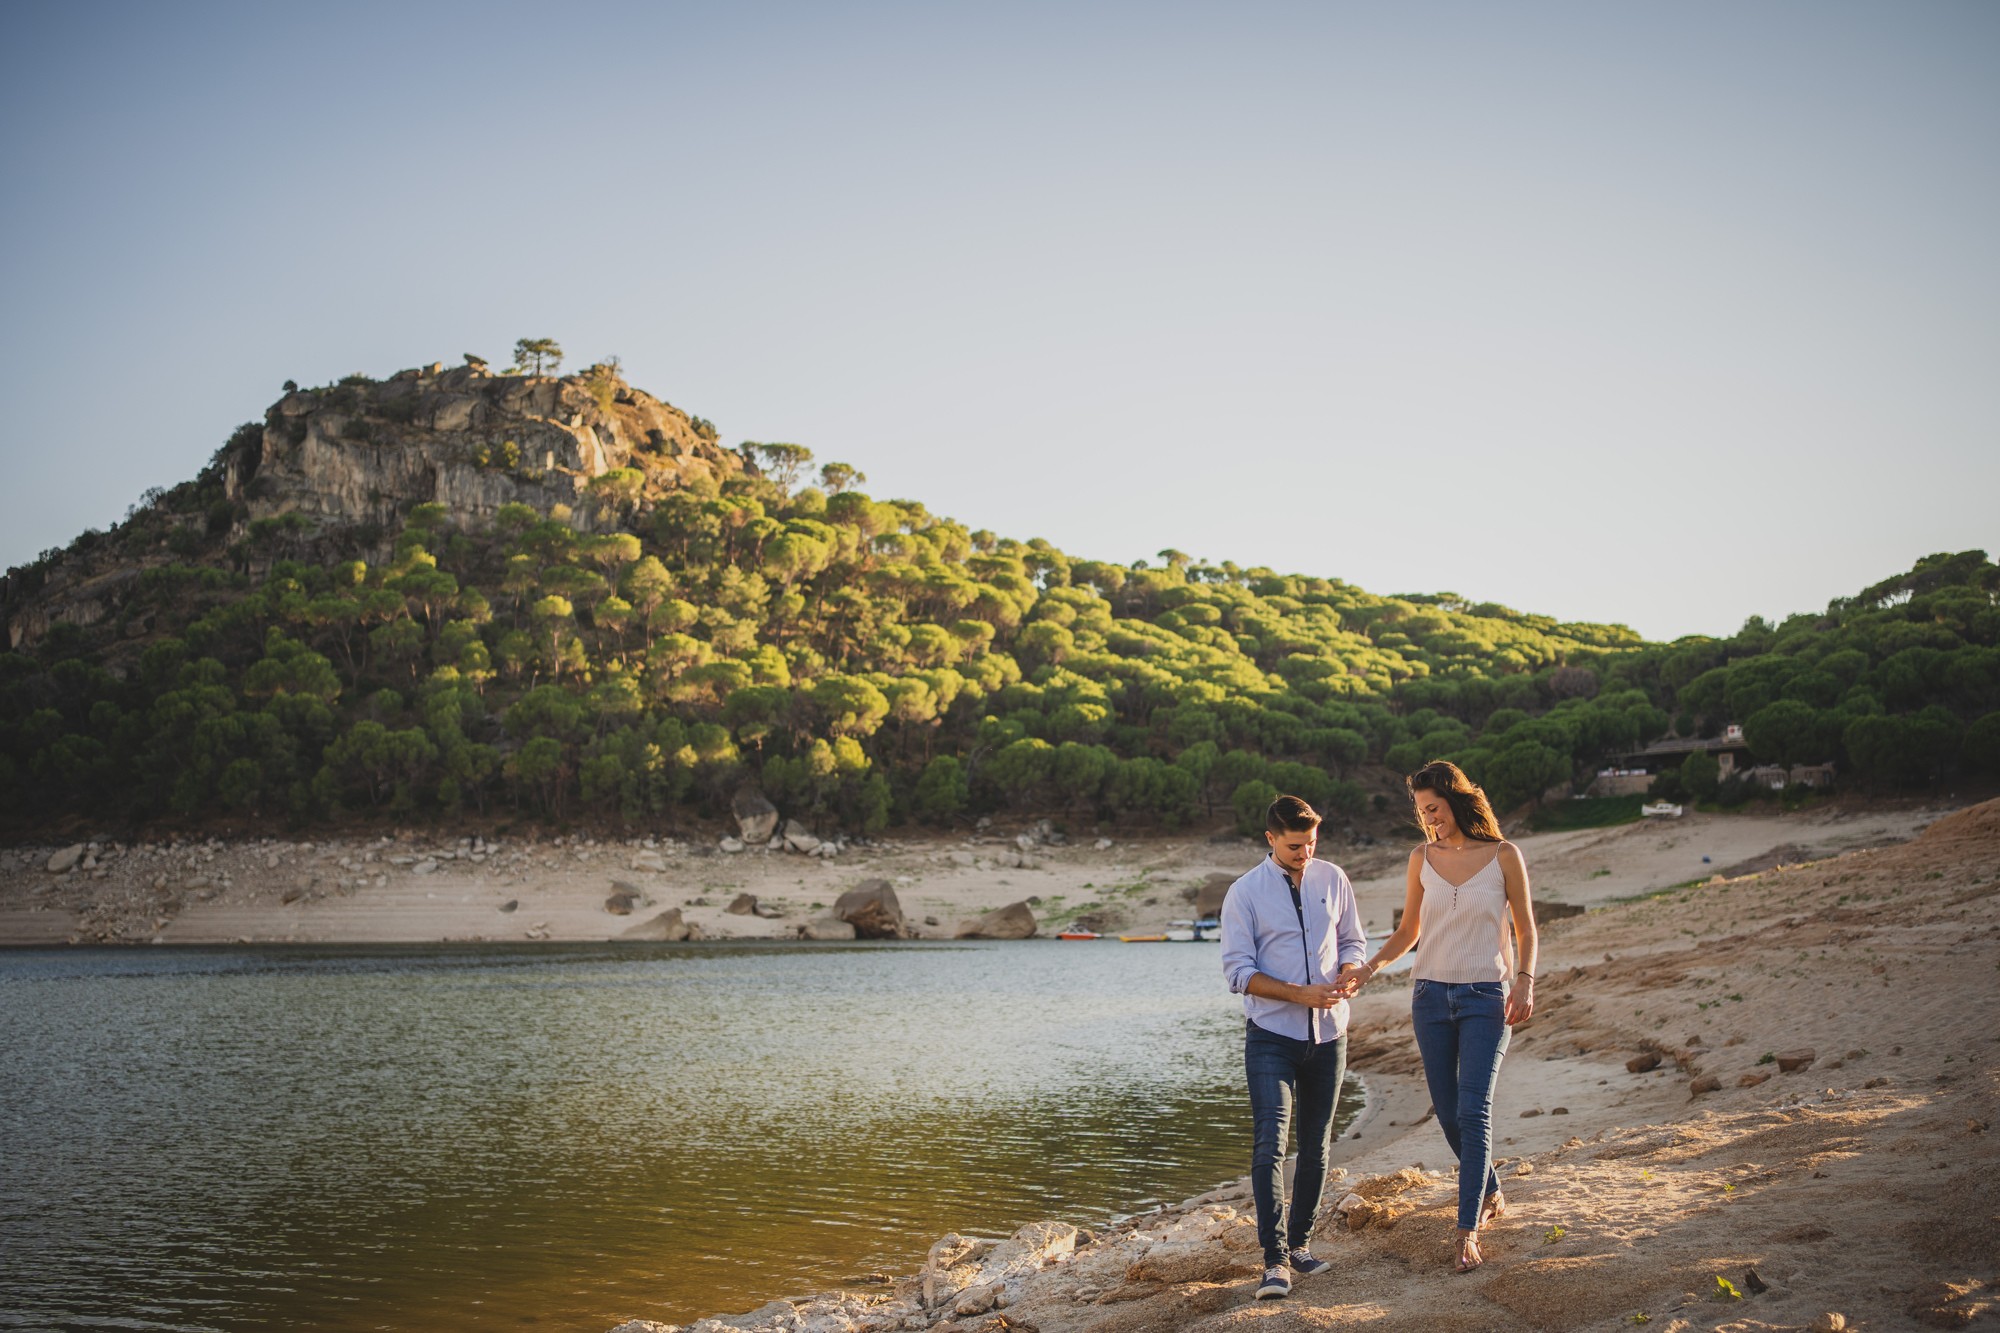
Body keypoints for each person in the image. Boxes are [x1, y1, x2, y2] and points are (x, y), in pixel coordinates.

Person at [1337, 760, 1538, 1273]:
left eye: (1435, 808)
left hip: (1486, 997)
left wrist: (1525, 979)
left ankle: (1467, 1228)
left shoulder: (1504, 855)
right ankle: (1491, 1189)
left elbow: (1526, 929)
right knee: (1447, 1114)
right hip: (1429, 997)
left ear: (1457, 800)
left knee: (1473, 1110)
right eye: (1423, 812)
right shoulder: (1421, 858)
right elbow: (1409, 931)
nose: (1430, 819)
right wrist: (1369, 968)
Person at [1219, 794, 1368, 1300]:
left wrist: (1349, 973)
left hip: (1330, 1035)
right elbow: (1238, 973)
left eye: (1311, 844)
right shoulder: (1244, 893)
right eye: (1294, 846)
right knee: (1270, 1144)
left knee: (1317, 1144)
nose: (1305, 854)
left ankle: (1301, 1246)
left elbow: (1352, 942)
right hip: (1271, 1038)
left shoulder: (1334, 878)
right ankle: (1274, 1261)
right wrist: (1299, 994)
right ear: (1270, 839)